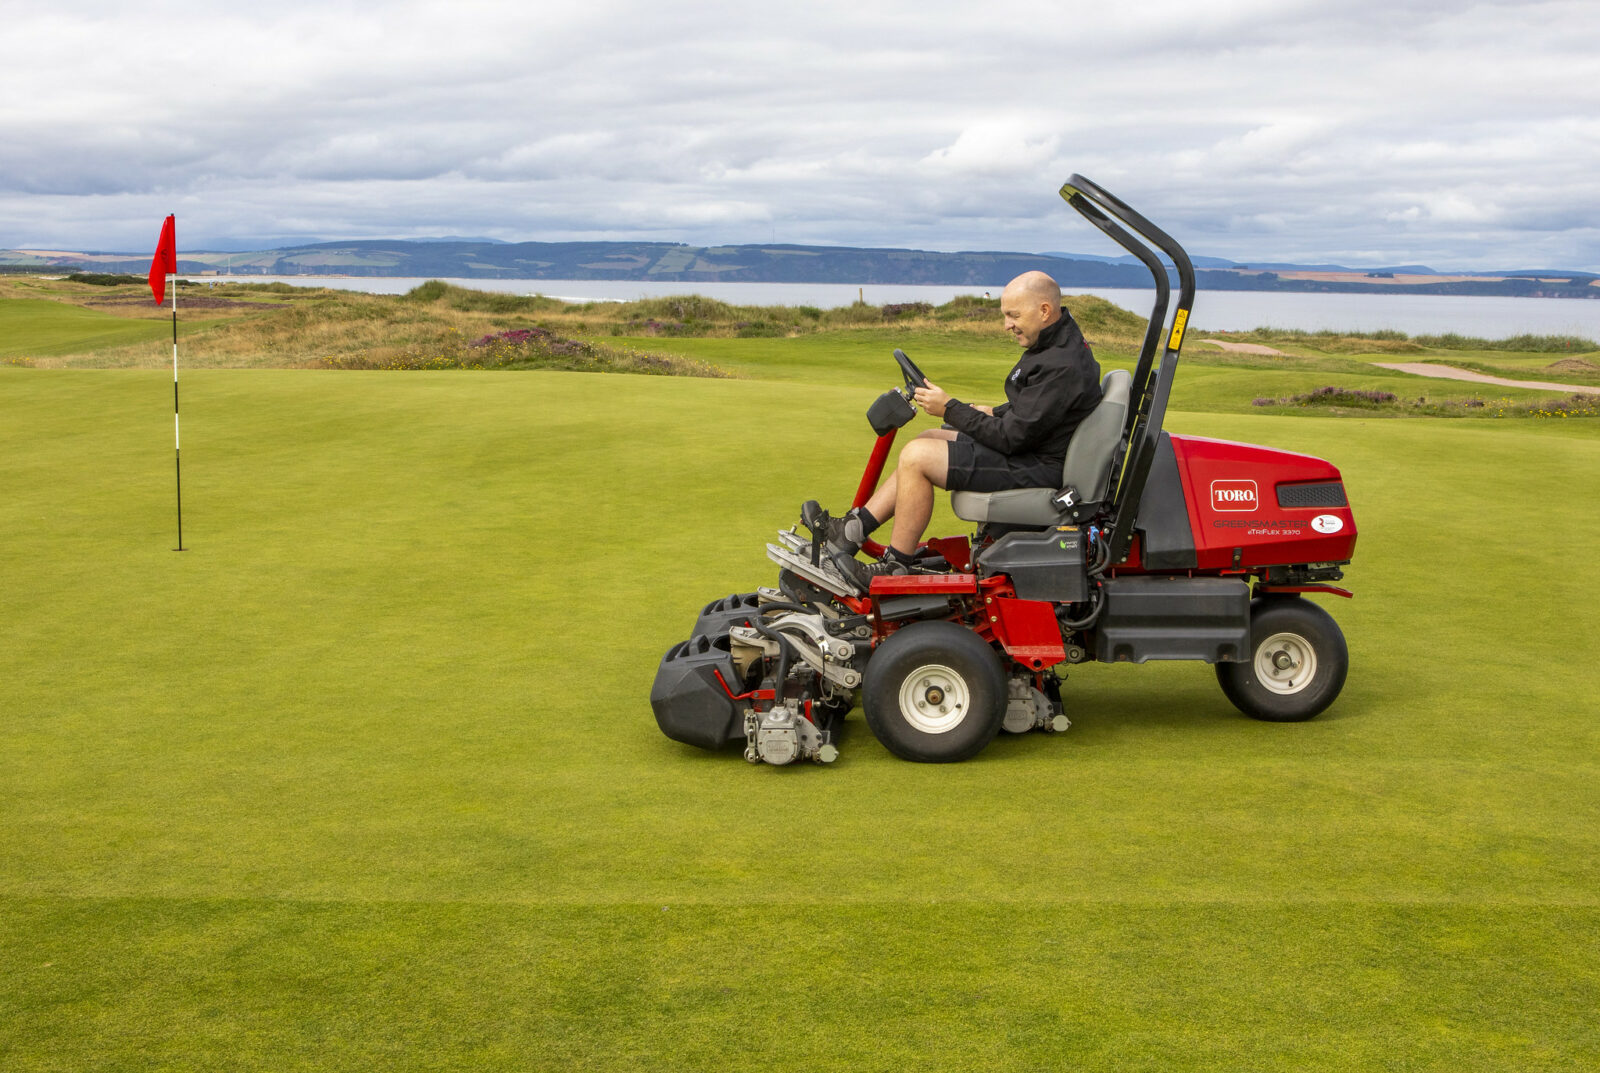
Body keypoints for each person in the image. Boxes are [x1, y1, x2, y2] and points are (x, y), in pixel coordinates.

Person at [804, 270, 1102, 586]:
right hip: (1036, 450)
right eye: (1005, 315)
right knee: (927, 437)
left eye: (1014, 315)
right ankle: (852, 530)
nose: (1007, 325)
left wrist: (950, 409)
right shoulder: (1058, 342)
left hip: (1039, 465)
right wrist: (987, 411)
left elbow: (1011, 437)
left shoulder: (1062, 363)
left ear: (1044, 310)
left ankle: (896, 566)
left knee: (917, 457)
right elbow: (1034, 410)